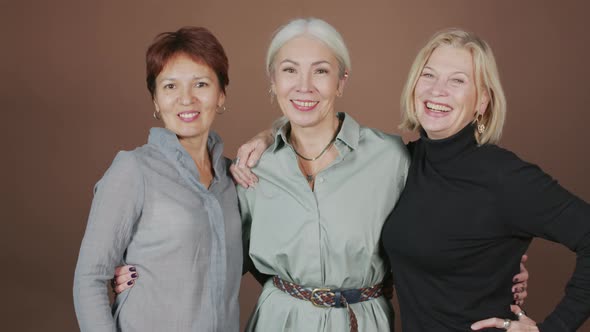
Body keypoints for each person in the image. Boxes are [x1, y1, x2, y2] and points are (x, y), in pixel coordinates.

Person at [114, 19, 530, 331]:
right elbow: (214, 250)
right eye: (290, 70)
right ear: (273, 81)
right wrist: (145, 275)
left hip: (364, 320)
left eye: (321, 71)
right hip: (280, 319)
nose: (304, 86)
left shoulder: (391, 157)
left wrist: (501, 266)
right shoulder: (250, 166)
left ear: (341, 81)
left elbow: (445, 220)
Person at [379, 29, 590, 331]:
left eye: (458, 80)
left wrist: (553, 328)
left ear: (482, 102)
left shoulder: (504, 177)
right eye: (429, 75)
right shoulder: (400, 163)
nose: (437, 90)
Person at [73, 27, 242, 332]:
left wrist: (269, 138)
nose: (186, 99)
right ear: (155, 101)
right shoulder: (133, 170)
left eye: (201, 84)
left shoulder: (232, 179)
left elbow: (238, 262)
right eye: (170, 86)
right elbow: (89, 279)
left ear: (221, 95)